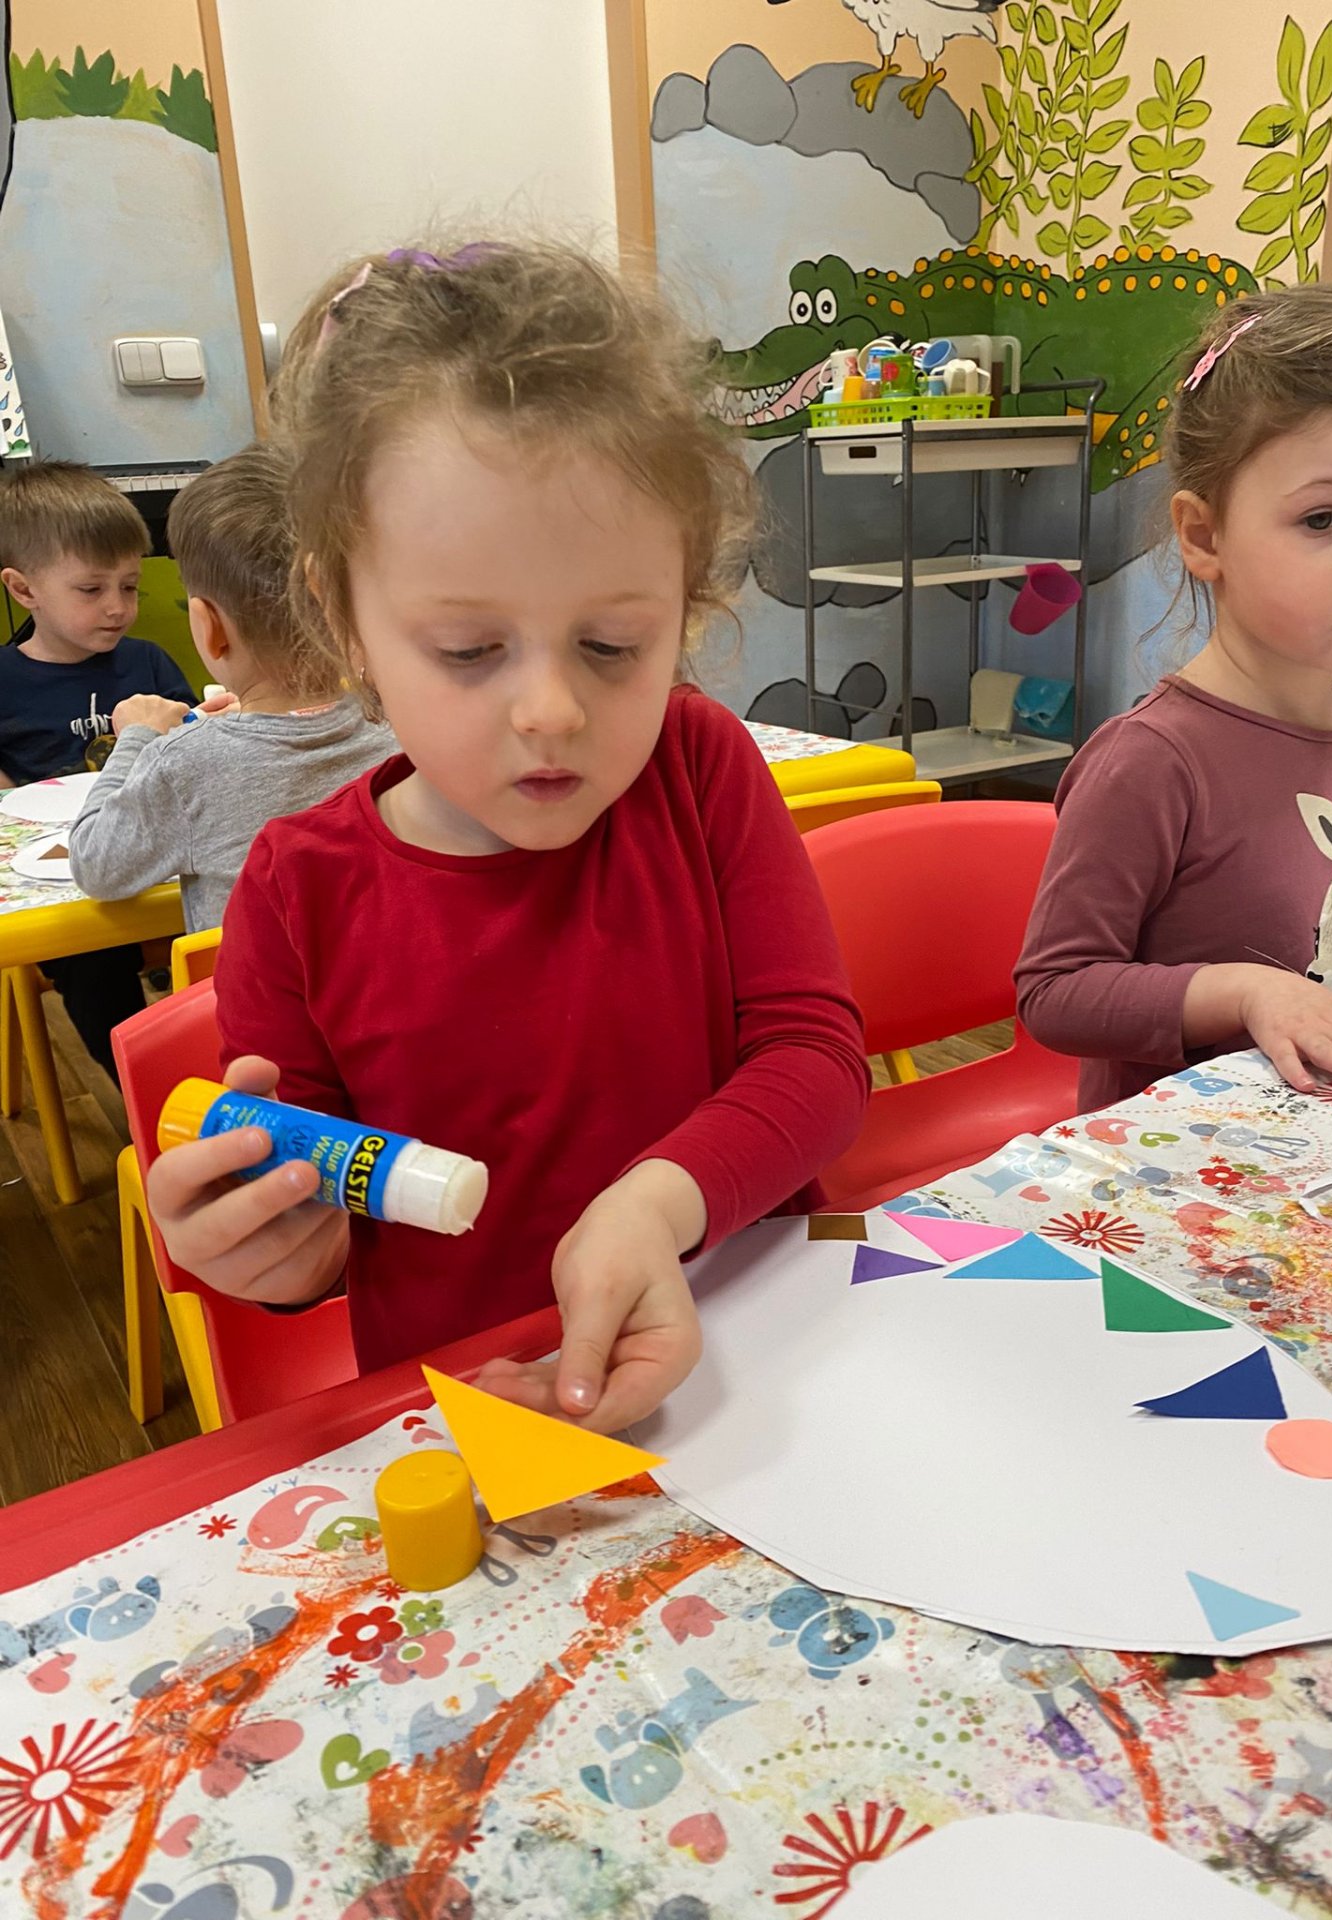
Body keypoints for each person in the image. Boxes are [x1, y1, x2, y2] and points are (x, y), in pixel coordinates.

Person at [145, 240, 870, 1430]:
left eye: (612, 645)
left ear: (684, 604)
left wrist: (656, 1205)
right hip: (480, 1406)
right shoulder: (296, 889)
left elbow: (813, 1057)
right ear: (342, 615)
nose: (550, 711)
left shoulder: (697, 766)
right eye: (470, 651)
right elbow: (320, 1216)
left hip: (757, 1352)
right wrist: (271, 1252)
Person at [1016, 285, 1332, 1112]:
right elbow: (1055, 992)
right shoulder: (1150, 760)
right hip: (1178, 1156)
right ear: (1204, 536)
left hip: (1322, 1137)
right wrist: (1244, 993)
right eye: (1325, 518)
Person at [69, 444, 394, 933]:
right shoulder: (402, 731)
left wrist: (136, 738)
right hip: (385, 980)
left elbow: (94, 865)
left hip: (240, 986)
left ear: (209, 626)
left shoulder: (182, 765)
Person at [0, 460, 196, 1079]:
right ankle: (150, 1095)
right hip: (66, 882)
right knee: (94, 968)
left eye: (130, 586)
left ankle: (221, 1064)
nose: (118, 607)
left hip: (157, 858)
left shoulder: (148, 662)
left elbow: (190, 749)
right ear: (23, 590)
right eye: (91, 590)